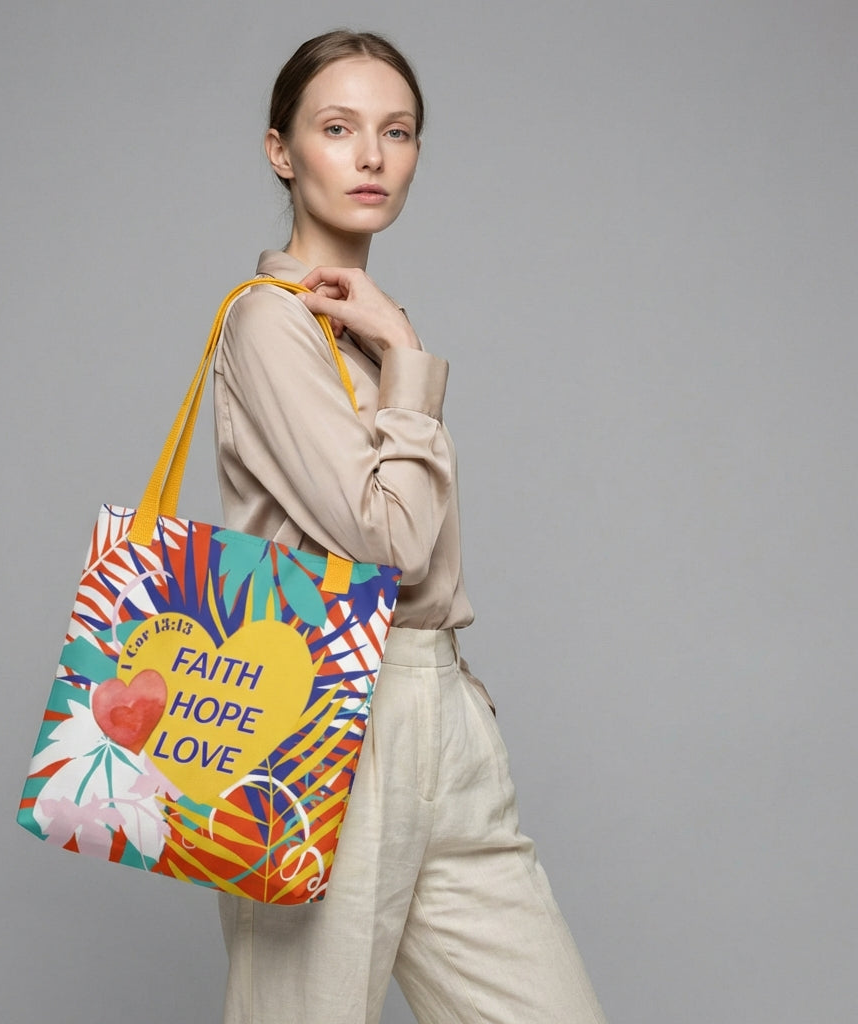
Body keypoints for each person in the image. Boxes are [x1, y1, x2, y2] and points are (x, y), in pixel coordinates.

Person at [212, 29, 608, 1024]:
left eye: (397, 131)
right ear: (281, 150)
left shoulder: (373, 323)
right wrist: (408, 359)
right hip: (324, 714)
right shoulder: (269, 323)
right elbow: (387, 542)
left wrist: (393, 342)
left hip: (441, 706)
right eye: (337, 128)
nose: (371, 155)